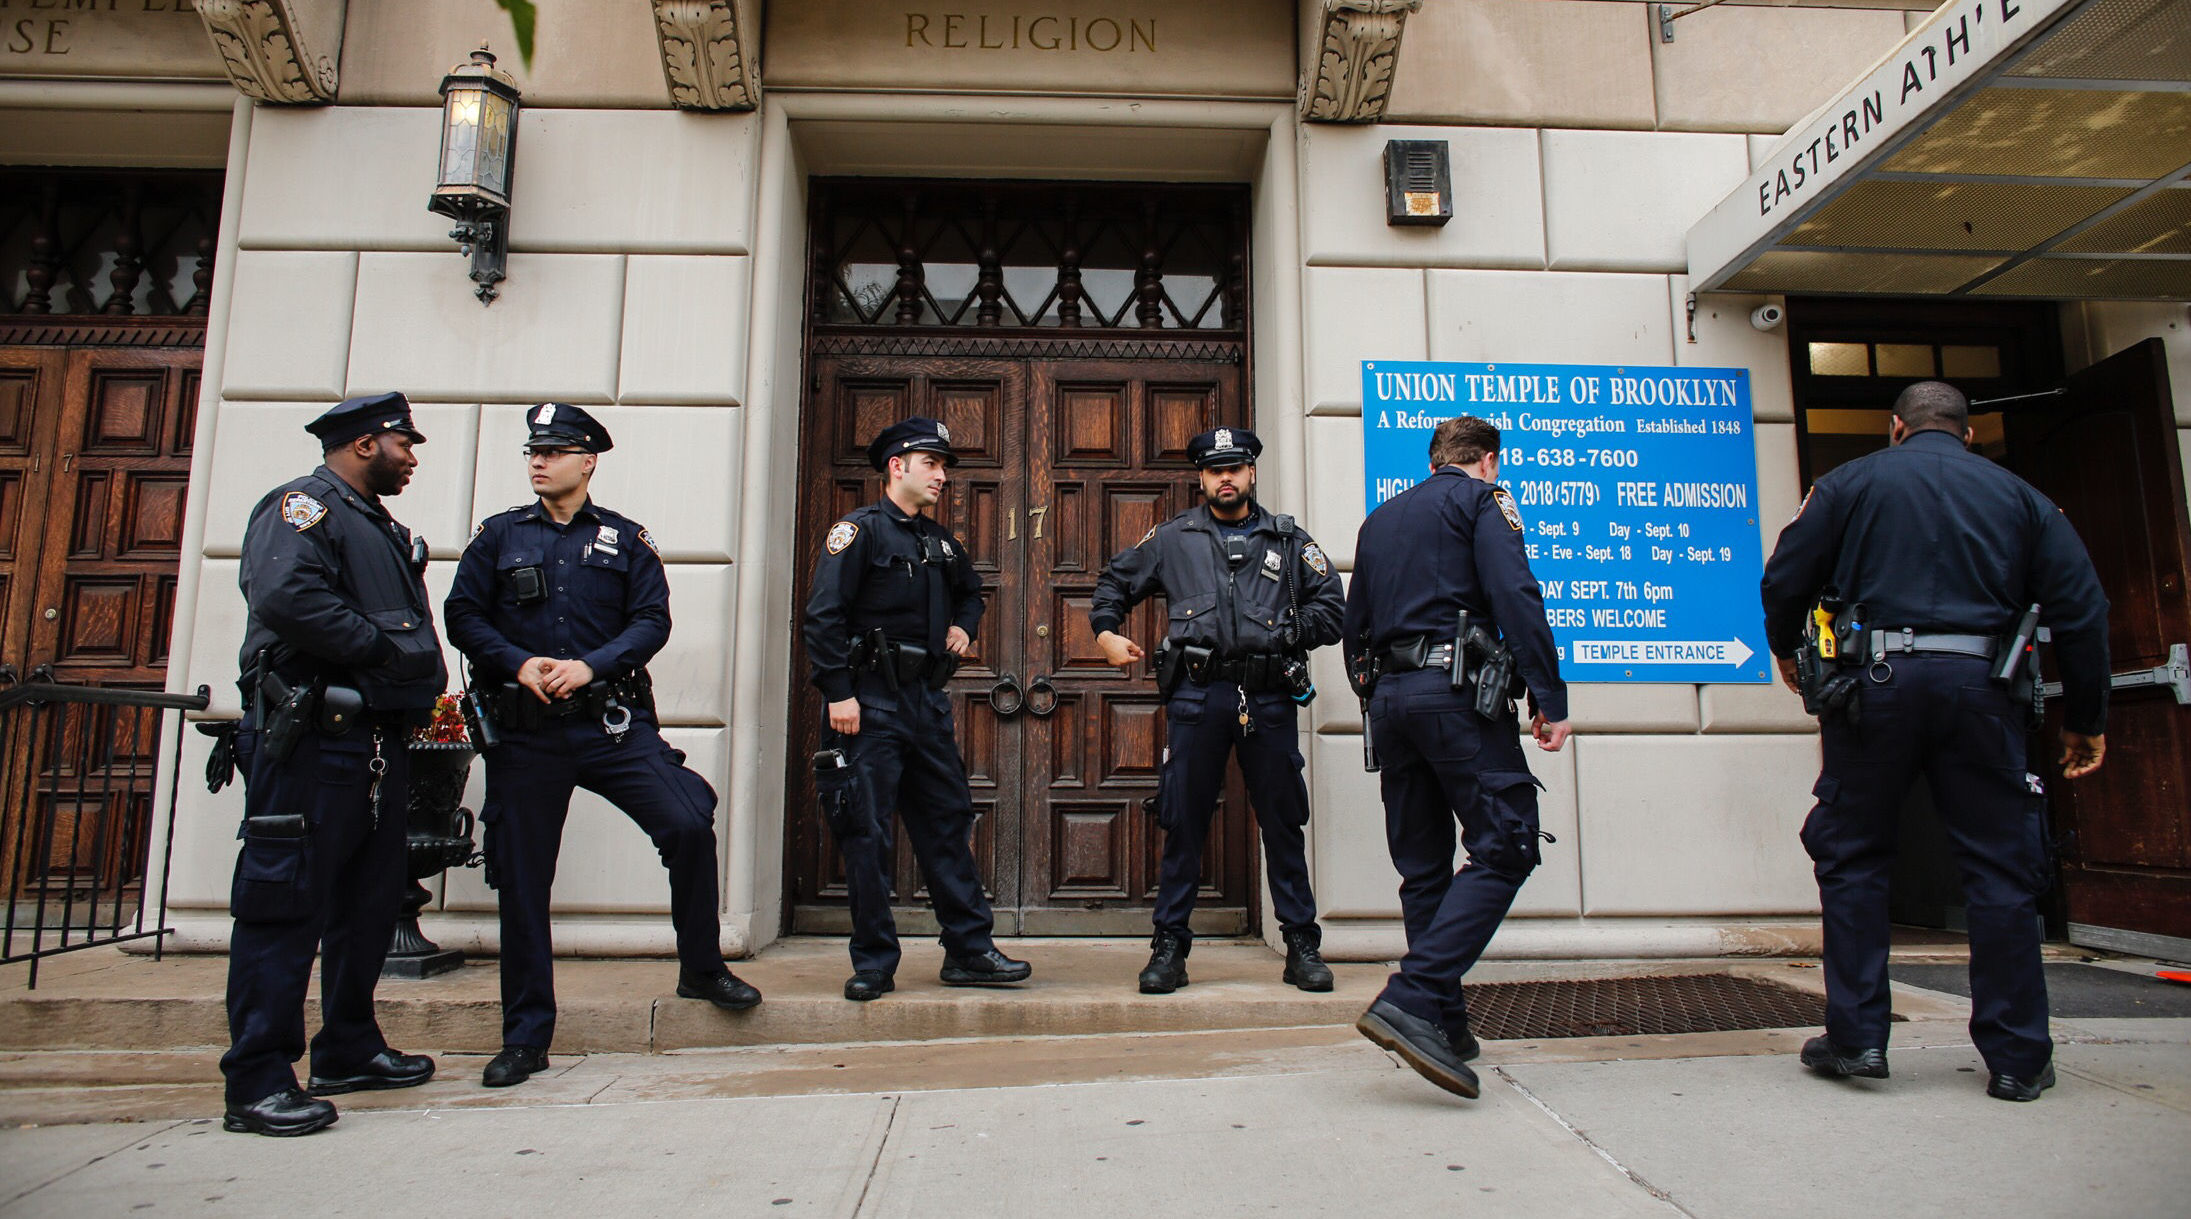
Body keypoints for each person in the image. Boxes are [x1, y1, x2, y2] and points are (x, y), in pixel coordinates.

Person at [1760, 379, 2110, 1103]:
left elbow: (1783, 577)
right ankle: (2015, 1057)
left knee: (1853, 856)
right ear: (1968, 433)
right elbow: (2081, 609)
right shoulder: (2021, 499)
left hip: (1873, 690)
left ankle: (1856, 1039)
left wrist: (1787, 651)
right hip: (1983, 690)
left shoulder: (1847, 485)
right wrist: (2088, 717)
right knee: (1998, 871)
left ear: (1894, 427)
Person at [444, 403, 760, 1090]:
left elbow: (653, 619)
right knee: (523, 881)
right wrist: (517, 662)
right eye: (533, 450)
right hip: (527, 731)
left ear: (587, 460)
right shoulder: (497, 537)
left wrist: (591, 664)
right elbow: (462, 614)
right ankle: (526, 1036)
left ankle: (701, 966)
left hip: (609, 724)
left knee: (686, 820)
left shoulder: (625, 539)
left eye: (554, 450)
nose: (538, 460)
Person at [221, 392, 446, 1136]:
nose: (411, 458)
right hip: (314, 742)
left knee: (368, 904)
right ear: (362, 444)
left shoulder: (373, 521)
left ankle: (348, 1045)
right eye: (402, 444)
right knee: (284, 908)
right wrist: (381, 649)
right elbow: (286, 596)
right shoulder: (301, 507)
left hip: (373, 746)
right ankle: (257, 1078)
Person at [1343, 414, 1571, 1099]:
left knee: (1421, 868)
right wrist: (1547, 696)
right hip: (1455, 697)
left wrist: (1382, 696)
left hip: (1389, 700)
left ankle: (1443, 1025)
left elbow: (1354, 629)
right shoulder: (1481, 500)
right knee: (1507, 843)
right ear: (1488, 460)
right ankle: (1412, 996)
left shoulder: (1378, 519)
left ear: (1434, 456)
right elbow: (1515, 596)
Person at [1088, 426, 1344, 994]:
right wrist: (1106, 633)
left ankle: (1302, 943)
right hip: (1198, 698)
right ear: (1201, 478)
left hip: (1269, 697)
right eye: (1214, 470)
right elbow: (1112, 583)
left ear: (1252, 473)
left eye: (1235, 468)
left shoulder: (1287, 540)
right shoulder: (1173, 538)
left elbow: (1333, 606)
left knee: (1282, 822)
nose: (1225, 478)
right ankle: (1169, 948)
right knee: (1183, 820)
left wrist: (1286, 633)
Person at [802, 416, 1031, 1001]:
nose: (942, 475)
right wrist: (838, 694)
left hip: (925, 704)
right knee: (867, 833)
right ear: (896, 467)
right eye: (932, 463)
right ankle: (875, 962)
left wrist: (963, 626)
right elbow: (822, 618)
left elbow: (970, 592)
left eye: (944, 465)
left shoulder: (940, 542)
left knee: (947, 824)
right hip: (869, 702)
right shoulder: (858, 534)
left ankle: (969, 950)